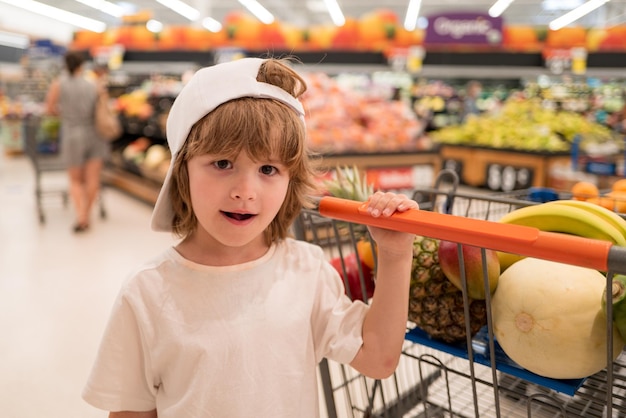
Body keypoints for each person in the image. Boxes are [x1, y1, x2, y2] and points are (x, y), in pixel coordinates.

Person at [81, 57, 419, 418]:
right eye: (223, 164)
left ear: (291, 181)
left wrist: (395, 256)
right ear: (183, 171)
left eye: (268, 169)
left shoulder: (306, 270)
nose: (245, 191)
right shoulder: (147, 293)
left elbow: (379, 358)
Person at [45, 51, 109, 233]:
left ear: (66, 65)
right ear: (82, 65)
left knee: (75, 180)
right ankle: (87, 215)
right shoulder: (92, 84)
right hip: (94, 133)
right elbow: (101, 108)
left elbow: (49, 109)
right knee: (93, 179)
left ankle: (81, 216)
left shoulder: (58, 84)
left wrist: (65, 114)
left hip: (72, 134)